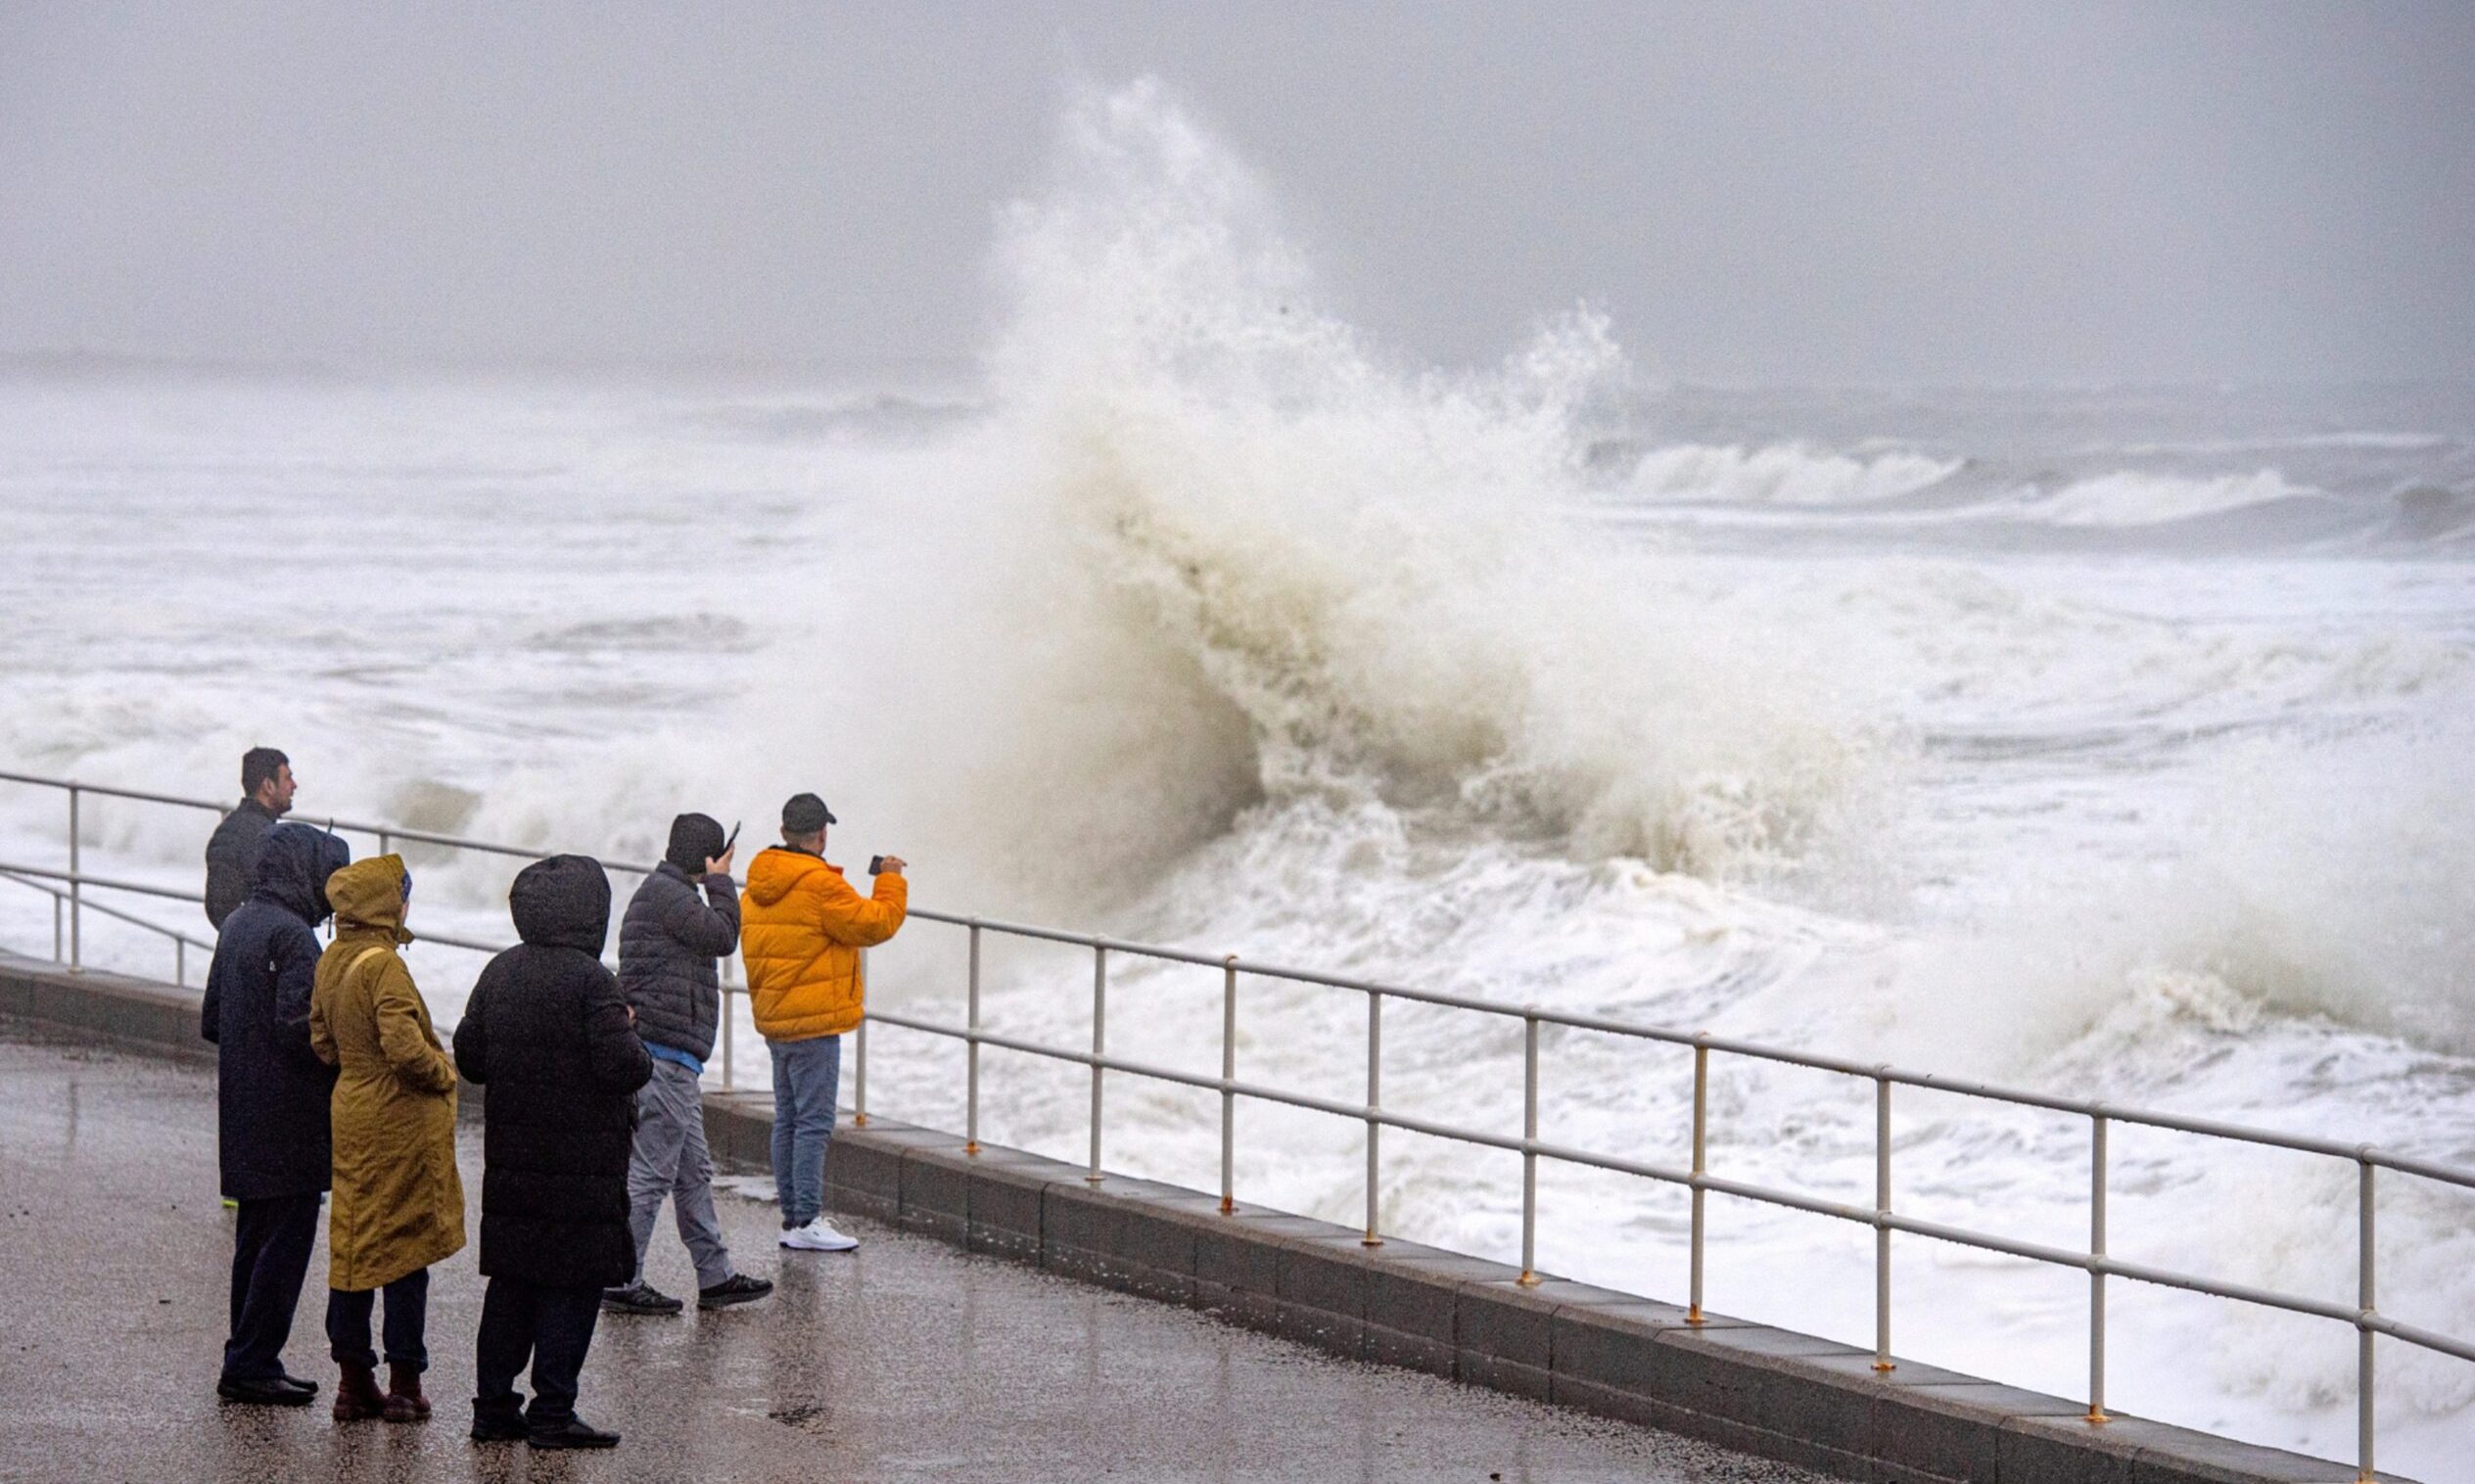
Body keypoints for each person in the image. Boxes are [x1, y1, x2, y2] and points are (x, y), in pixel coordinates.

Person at [452, 855, 653, 1450]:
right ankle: (552, 1413)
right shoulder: (594, 982)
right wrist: (631, 1027)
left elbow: (470, 1058)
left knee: (511, 1286)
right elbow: (627, 1069)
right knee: (571, 1286)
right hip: (581, 1174)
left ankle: (492, 1410)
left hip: (513, 1166)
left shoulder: (501, 971)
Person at [309, 855, 464, 1424]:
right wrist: (443, 1072)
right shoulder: (386, 966)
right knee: (405, 1252)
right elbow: (404, 1047)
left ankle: (352, 1383)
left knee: (351, 1249)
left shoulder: (331, 960)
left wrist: (357, 1067)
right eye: (403, 895)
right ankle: (404, 1385)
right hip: (395, 1122)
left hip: (350, 1112)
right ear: (387, 903)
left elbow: (322, 1041)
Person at [201, 822, 351, 1406]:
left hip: (241, 1114)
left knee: (254, 1241)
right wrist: (342, 1051)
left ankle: (245, 1353)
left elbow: (212, 1020)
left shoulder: (238, 923)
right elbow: (300, 1030)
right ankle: (252, 1364)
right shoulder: (294, 939)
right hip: (289, 1121)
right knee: (285, 1246)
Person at [604, 812, 772, 1316]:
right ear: (706, 855)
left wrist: (712, 880)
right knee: (651, 1173)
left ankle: (715, 1276)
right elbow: (724, 936)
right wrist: (721, 881)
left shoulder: (667, 894)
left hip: (675, 1056)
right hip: (664, 1056)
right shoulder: (671, 896)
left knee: (693, 1171)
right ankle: (620, 1278)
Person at [740, 792, 906, 1253]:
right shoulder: (818, 884)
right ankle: (806, 1220)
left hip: (776, 1018)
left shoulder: (758, 883)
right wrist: (890, 880)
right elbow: (875, 923)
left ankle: (794, 1218)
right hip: (813, 1024)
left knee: (787, 1120)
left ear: (782, 832)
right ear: (821, 834)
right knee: (812, 1123)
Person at [205, 747, 297, 930]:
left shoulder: (227, 827)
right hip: (260, 944)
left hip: (234, 942)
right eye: (287, 777)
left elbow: (216, 906)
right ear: (268, 786)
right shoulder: (267, 838)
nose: (293, 785)